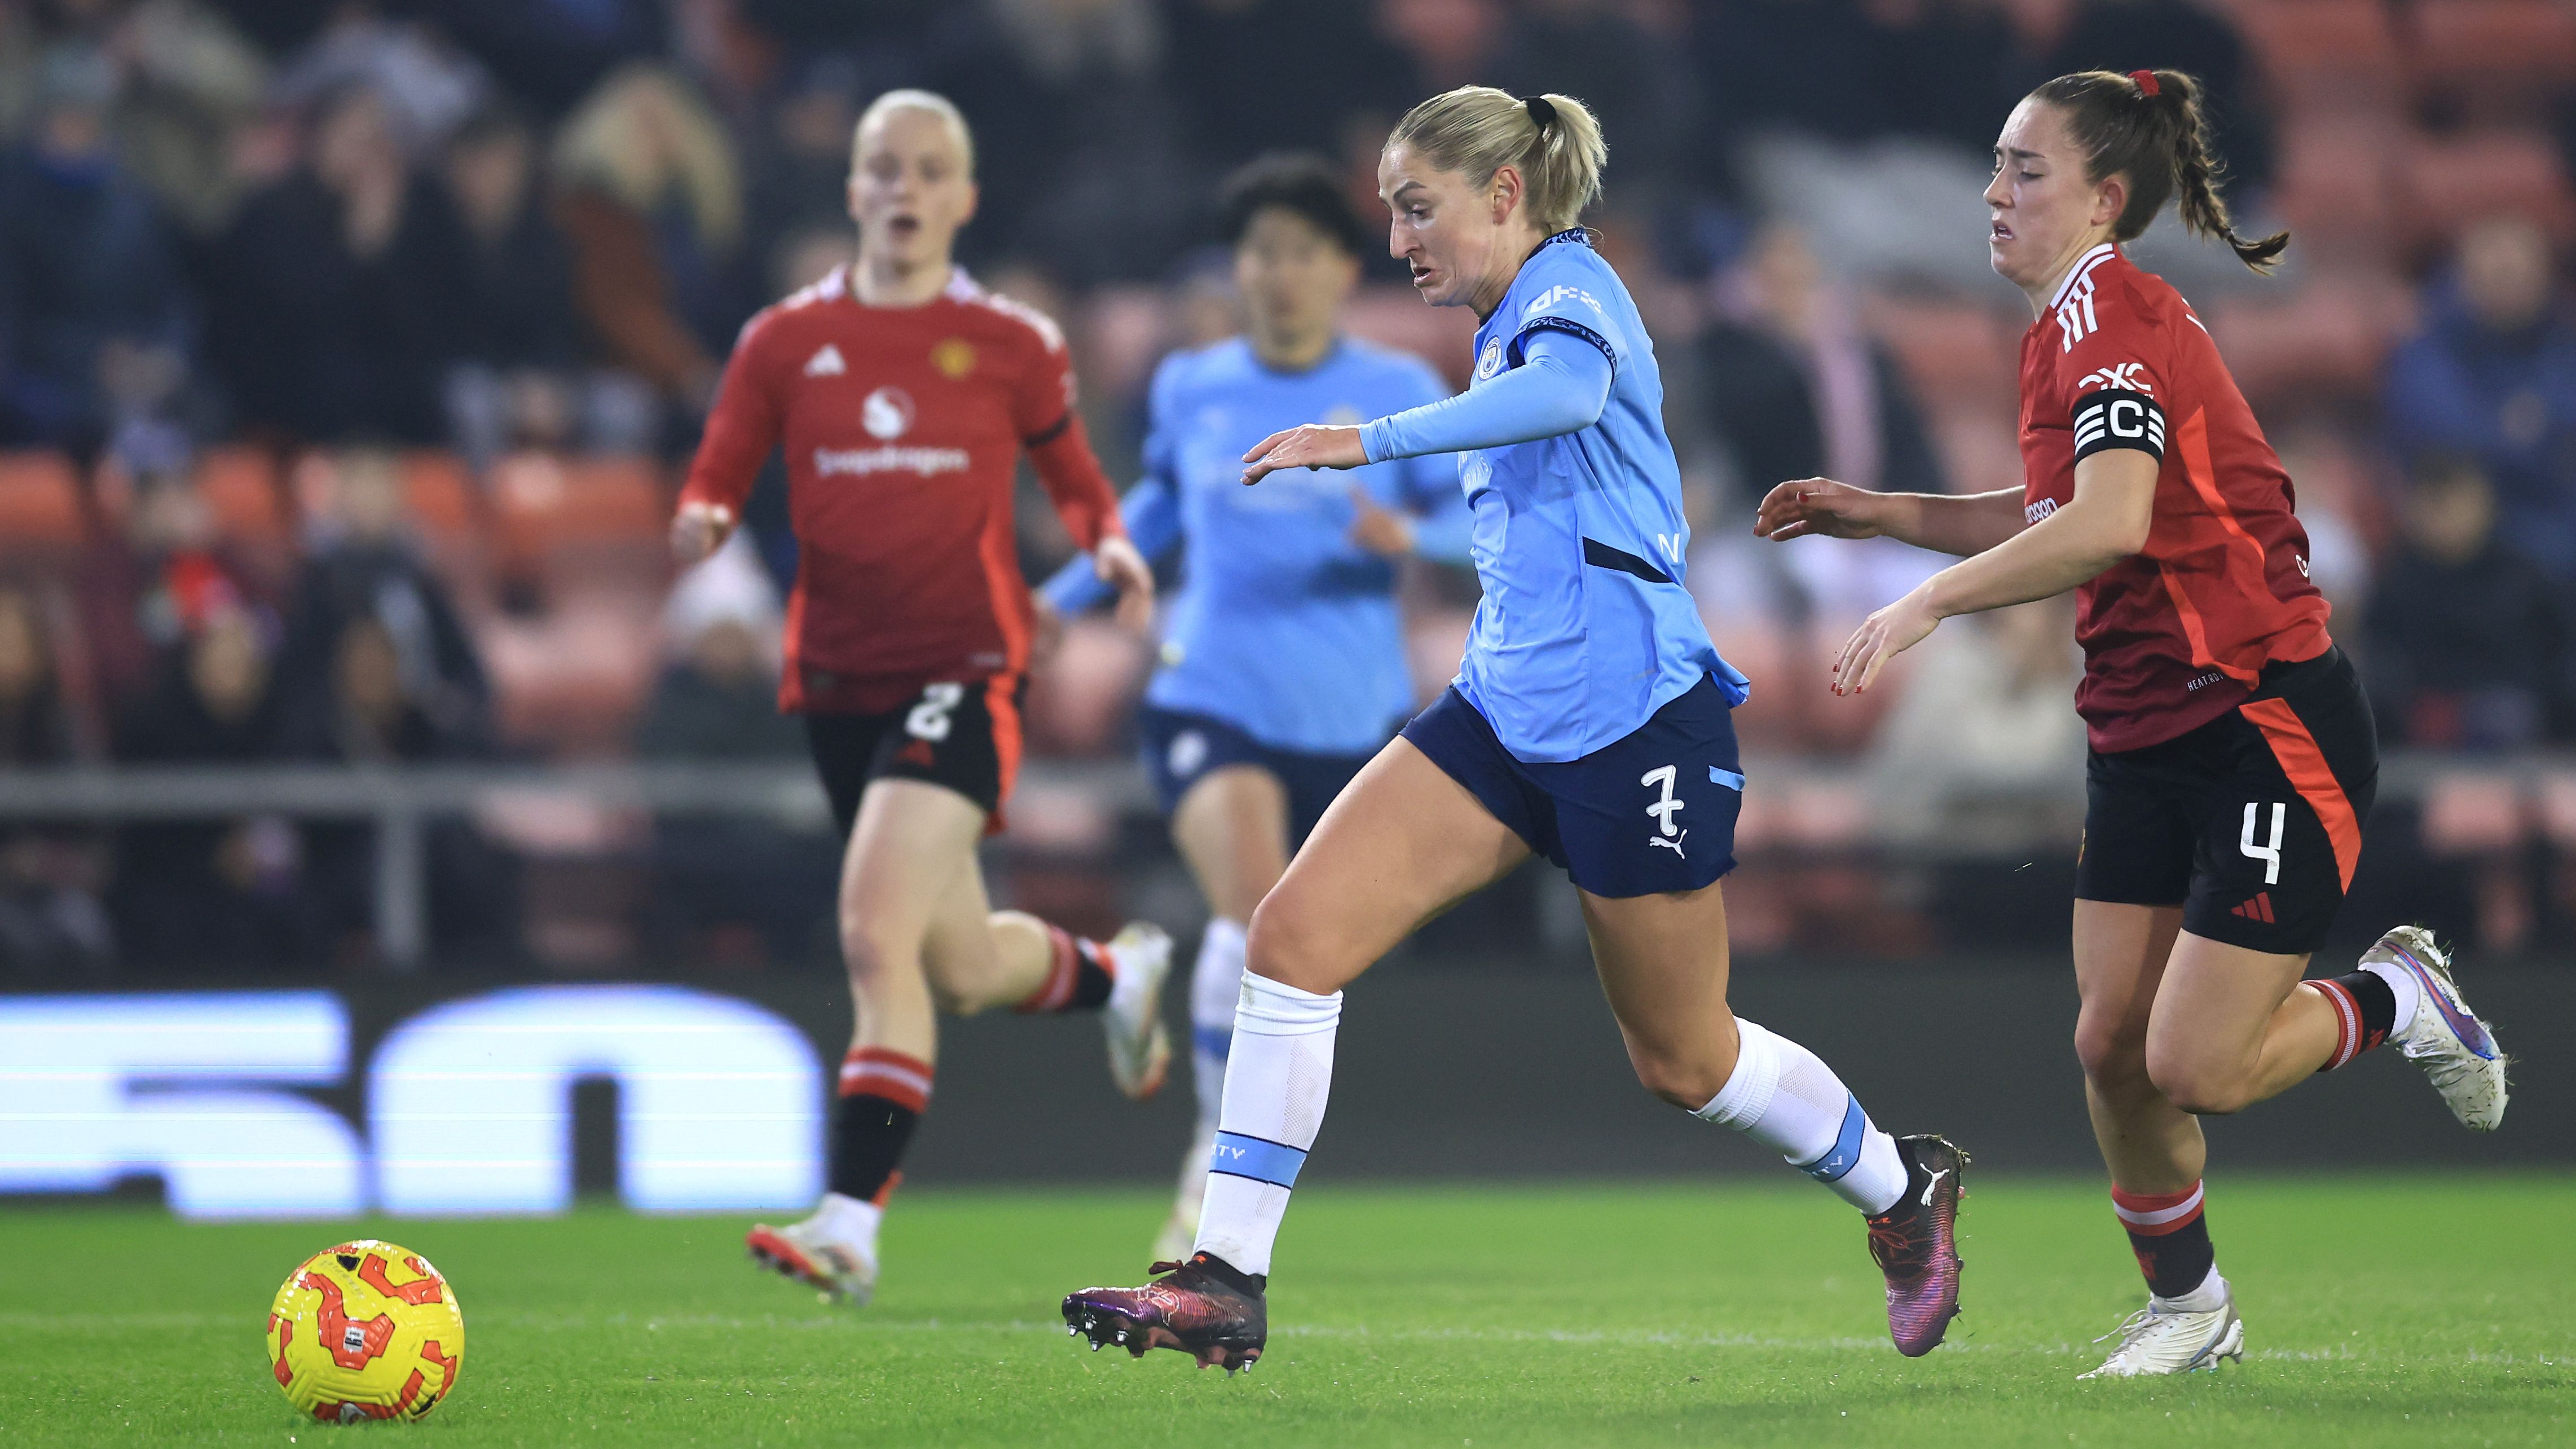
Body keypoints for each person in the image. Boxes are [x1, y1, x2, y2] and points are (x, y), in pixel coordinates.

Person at [1063, 87, 1967, 1372]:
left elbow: (1559, 398)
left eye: (1415, 206)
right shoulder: (1498, 321)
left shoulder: (1570, 291)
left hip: (1639, 725)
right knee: (1291, 938)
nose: (1396, 239)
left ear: (1505, 194)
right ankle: (1227, 1273)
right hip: (1503, 713)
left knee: (1684, 1058)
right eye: (1388, 210)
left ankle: (1898, 1190)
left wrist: (1361, 440)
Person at [1754, 68, 2509, 1378]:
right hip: (2142, 727)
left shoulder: (2112, 314)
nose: (1991, 193)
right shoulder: (2061, 323)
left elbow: (2104, 526)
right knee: (2110, 1046)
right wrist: (1884, 511)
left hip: (2261, 715)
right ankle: (2190, 1309)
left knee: (2194, 1063)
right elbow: (2071, 514)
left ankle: (2396, 996)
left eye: (2022, 171)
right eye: (1993, 167)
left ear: (2104, 198)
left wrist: (1929, 597)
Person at [668, 90, 1170, 1308]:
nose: (903, 188)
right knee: (951, 961)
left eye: (928, 169)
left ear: (964, 197)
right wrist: (702, 519)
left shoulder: (1011, 341)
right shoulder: (782, 341)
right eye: (882, 167)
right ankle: (1117, 976)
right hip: (838, 679)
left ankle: (850, 1222)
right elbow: (720, 470)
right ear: (852, 190)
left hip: (966, 669)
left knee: (870, 931)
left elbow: (1075, 474)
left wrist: (1108, 545)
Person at [1034, 153, 1471, 1261]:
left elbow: (1485, 527)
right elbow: (1157, 514)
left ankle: (1135, 974)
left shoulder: (1398, 390)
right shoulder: (1193, 383)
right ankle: (1206, 1171)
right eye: (1258, 253)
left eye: (1299, 253)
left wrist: (1409, 538)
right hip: (1210, 691)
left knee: (1287, 949)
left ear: (1340, 268)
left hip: (1352, 714)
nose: (1276, 274)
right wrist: (1053, 604)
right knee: (1252, 911)